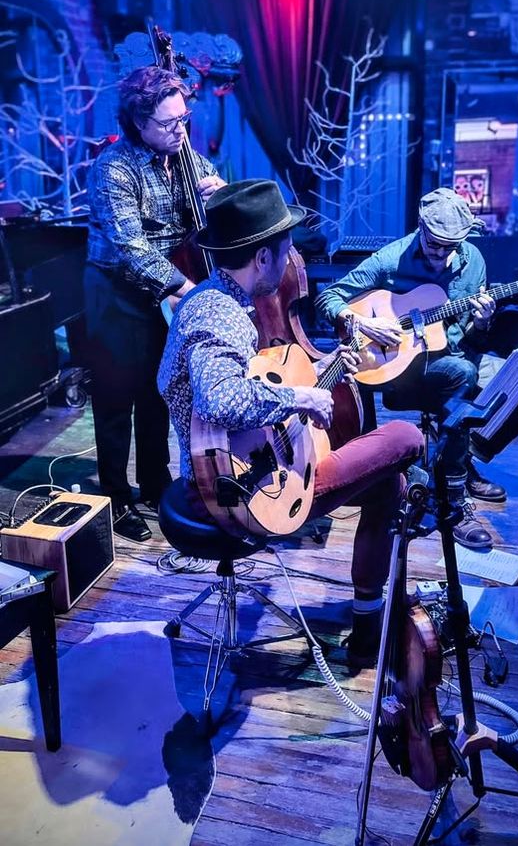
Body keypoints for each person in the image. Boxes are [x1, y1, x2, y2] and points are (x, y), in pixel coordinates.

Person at [158, 179, 424, 668]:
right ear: (262, 257)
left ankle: (369, 623)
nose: (289, 262)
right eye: (286, 251)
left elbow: (241, 393)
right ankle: (373, 625)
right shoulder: (219, 314)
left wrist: (314, 380)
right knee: (407, 438)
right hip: (238, 491)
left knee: (389, 482)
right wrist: (299, 397)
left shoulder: (214, 299)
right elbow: (219, 399)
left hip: (242, 467)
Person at [315, 187, 507, 550]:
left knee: (480, 375)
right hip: (396, 372)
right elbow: (328, 297)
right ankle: (431, 489)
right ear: (420, 227)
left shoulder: (474, 262)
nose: (441, 255)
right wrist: (361, 322)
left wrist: (483, 322)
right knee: (460, 375)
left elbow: (473, 336)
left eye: (451, 246)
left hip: (448, 359)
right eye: (434, 244)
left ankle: (455, 482)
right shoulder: (391, 259)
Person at [85, 66, 226, 542]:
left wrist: (220, 195)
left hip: (170, 290)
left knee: (157, 390)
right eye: (169, 123)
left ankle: (153, 481)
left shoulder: (185, 156)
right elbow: (133, 247)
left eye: (184, 119)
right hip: (117, 292)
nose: (180, 130)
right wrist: (191, 290)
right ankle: (115, 497)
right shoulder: (113, 168)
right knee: (114, 399)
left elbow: (215, 208)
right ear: (138, 122)